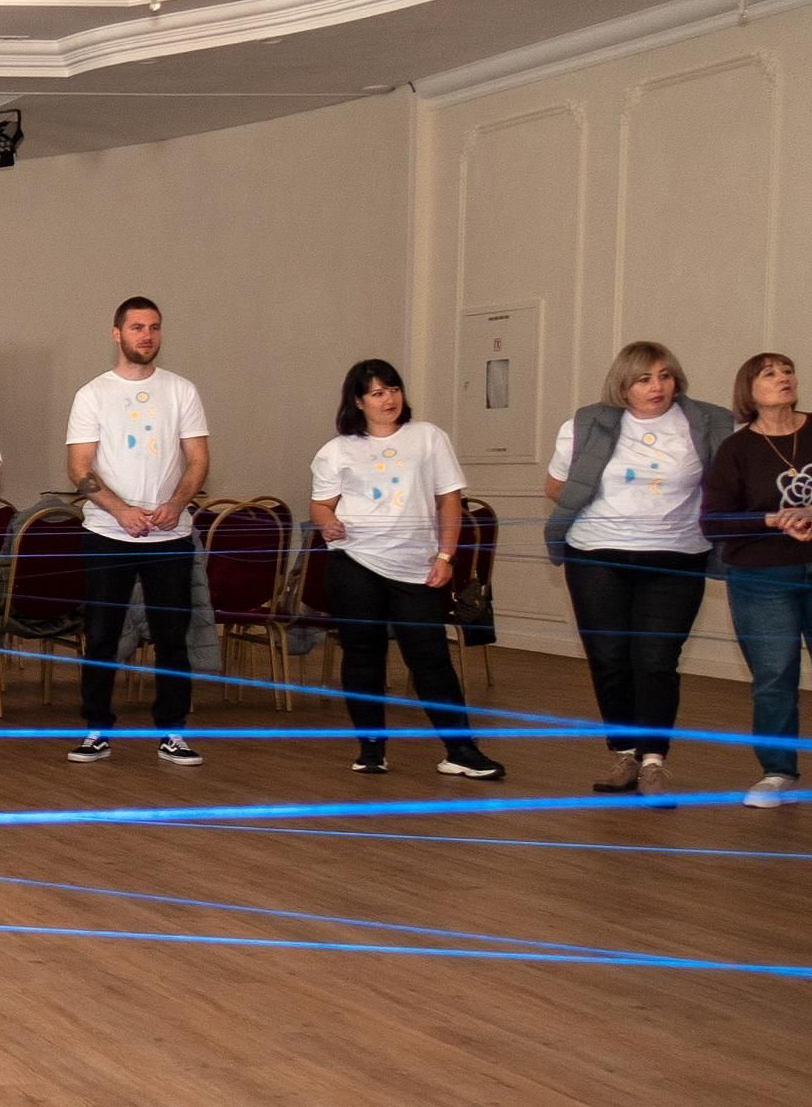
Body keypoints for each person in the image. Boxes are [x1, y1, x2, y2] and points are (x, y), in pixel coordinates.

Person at [544, 340, 732, 796]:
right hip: (595, 555)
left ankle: (653, 761)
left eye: (665, 376)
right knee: (608, 656)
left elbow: (728, 485)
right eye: (644, 379)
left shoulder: (710, 421)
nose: (657, 386)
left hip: (676, 557)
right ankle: (625, 753)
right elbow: (555, 486)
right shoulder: (586, 423)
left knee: (656, 659)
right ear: (623, 385)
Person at [307, 361, 505, 781]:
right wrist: (328, 522)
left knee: (430, 657)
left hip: (415, 567)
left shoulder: (429, 437)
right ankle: (371, 748)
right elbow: (321, 505)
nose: (389, 399)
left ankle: (461, 750)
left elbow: (450, 500)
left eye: (393, 389)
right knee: (363, 655)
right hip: (354, 562)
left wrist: (445, 556)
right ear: (358, 401)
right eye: (377, 393)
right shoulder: (336, 450)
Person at [65, 296, 212, 767]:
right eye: (136, 327)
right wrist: (121, 510)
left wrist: (176, 504)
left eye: (154, 327)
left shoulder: (181, 390)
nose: (146, 336)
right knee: (102, 634)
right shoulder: (92, 394)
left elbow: (198, 460)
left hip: (170, 535)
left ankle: (173, 731)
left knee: (173, 636)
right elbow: (79, 469)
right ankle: (96, 729)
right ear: (117, 334)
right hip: (107, 533)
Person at [700, 351, 811, 808]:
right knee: (775, 675)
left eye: (787, 370)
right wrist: (771, 519)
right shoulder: (736, 449)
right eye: (770, 373)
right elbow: (713, 522)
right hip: (761, 576)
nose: (783, 377)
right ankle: (777, 772)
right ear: (749, 391)